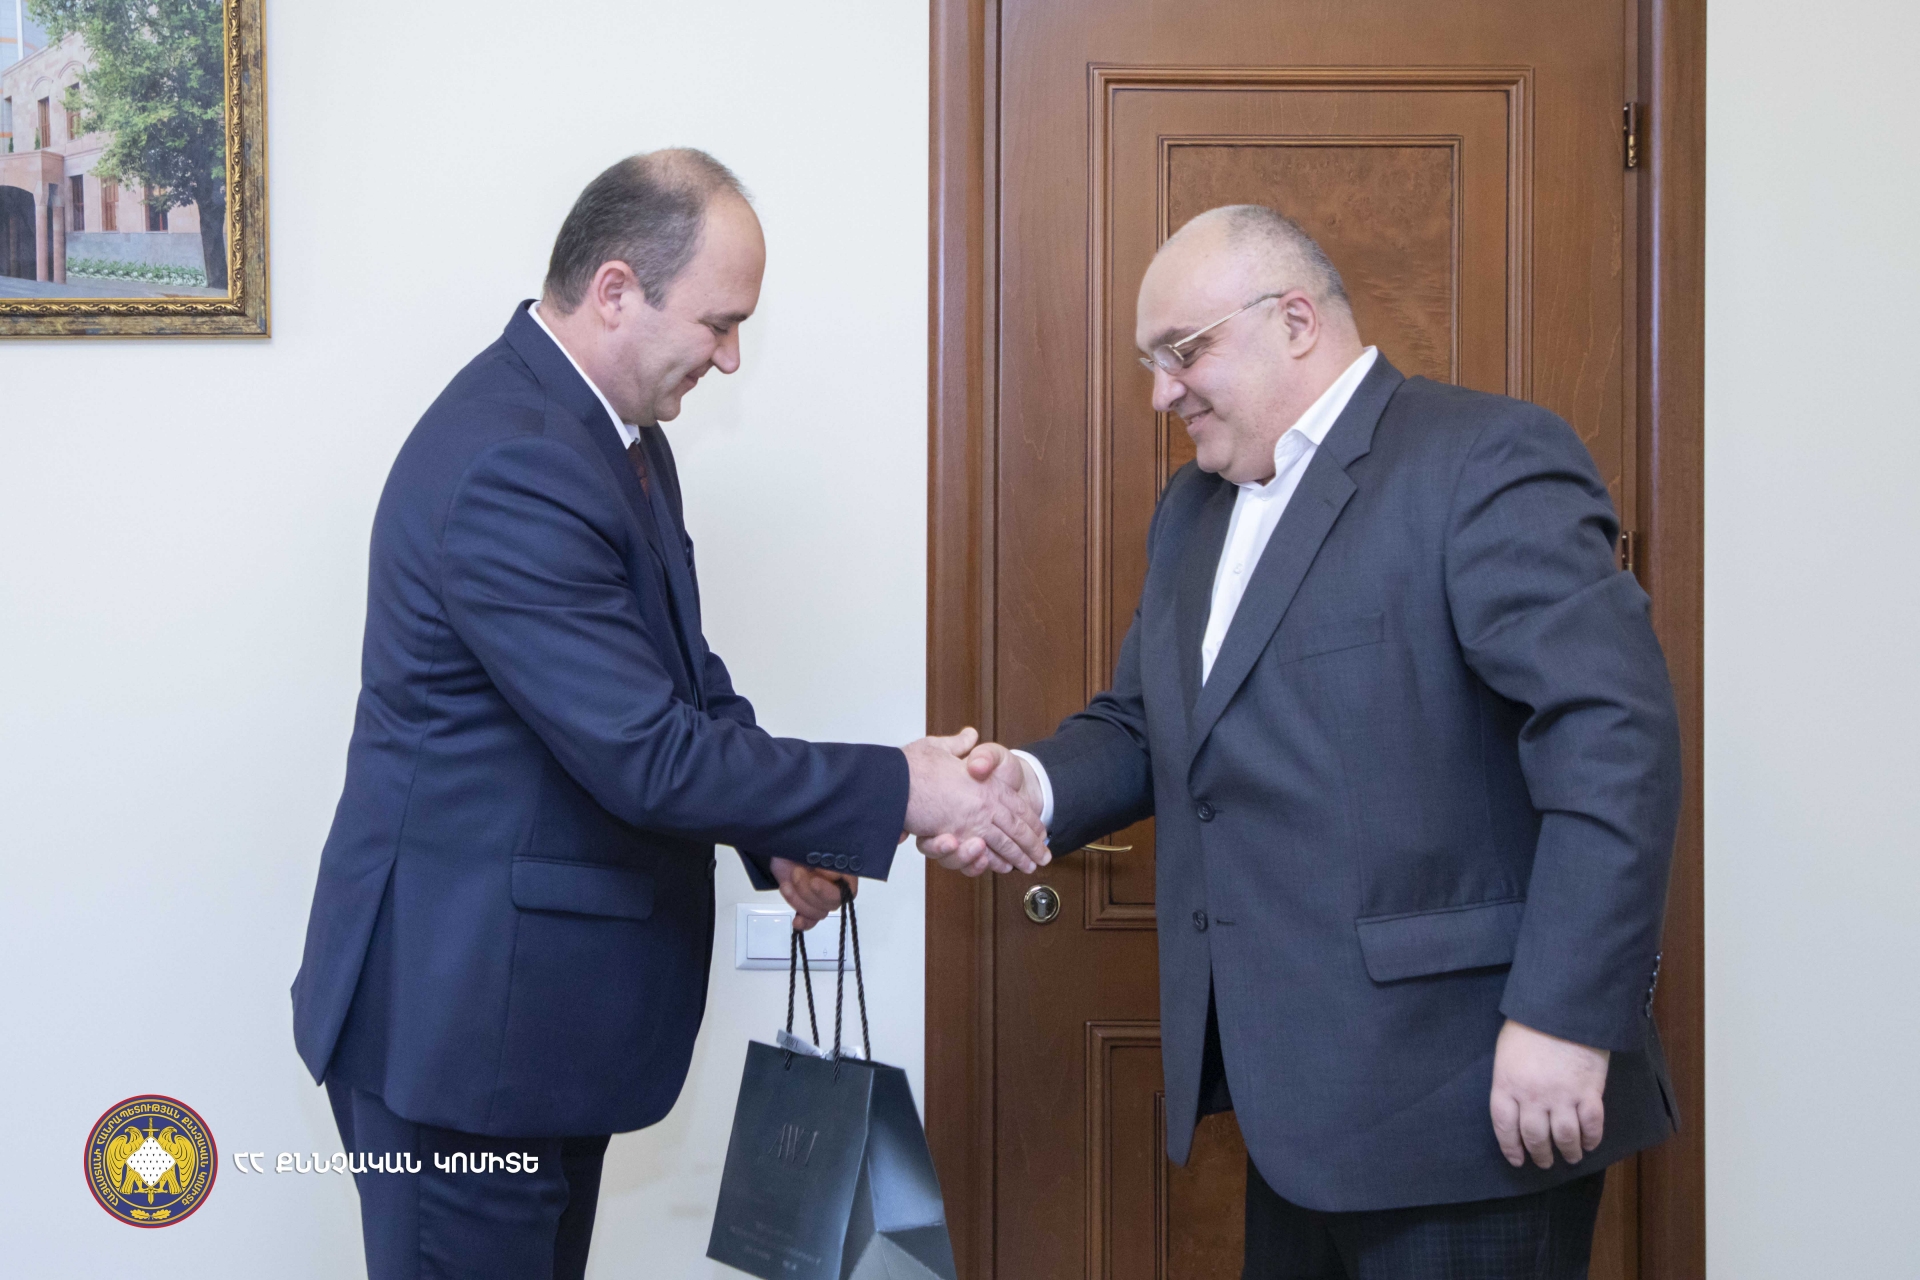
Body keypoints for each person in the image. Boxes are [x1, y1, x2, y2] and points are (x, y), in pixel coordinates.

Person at [290, 149, 1047, 1280]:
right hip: (463, 1032)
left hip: (524, 1027)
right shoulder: (516, 461)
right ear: (615, 291)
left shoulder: (613, 435)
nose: (731, 357)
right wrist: (910, 785)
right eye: (720, 323)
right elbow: (647, 752)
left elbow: (681, 683)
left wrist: (780, 831)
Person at [934, 205, 1681, 1278]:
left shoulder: (1483, 457)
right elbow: (1147, 722)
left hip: (1470, 1107)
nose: (1161, 393)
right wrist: (1024, 783)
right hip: (1292, 1116)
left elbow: (1616, 740)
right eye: (1150, 363)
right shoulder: (1191, 510)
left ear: (1294, 320)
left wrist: (1567, 1016)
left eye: (1183, 352)